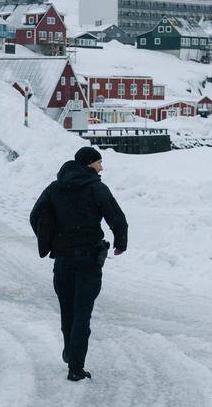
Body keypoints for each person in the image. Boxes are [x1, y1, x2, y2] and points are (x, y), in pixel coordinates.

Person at [30, 146, 128, 382]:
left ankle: (70, 350)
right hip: (88, 258)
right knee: (82, 314)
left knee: (67, 311)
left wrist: (48, 240)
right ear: (89, 164)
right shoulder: (96, 188)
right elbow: (117, 216)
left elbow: (36, 215)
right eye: (99, 162)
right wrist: (120, 242)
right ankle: (76, 366)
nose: (101, 167)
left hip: (62, 258)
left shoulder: (55, 187)